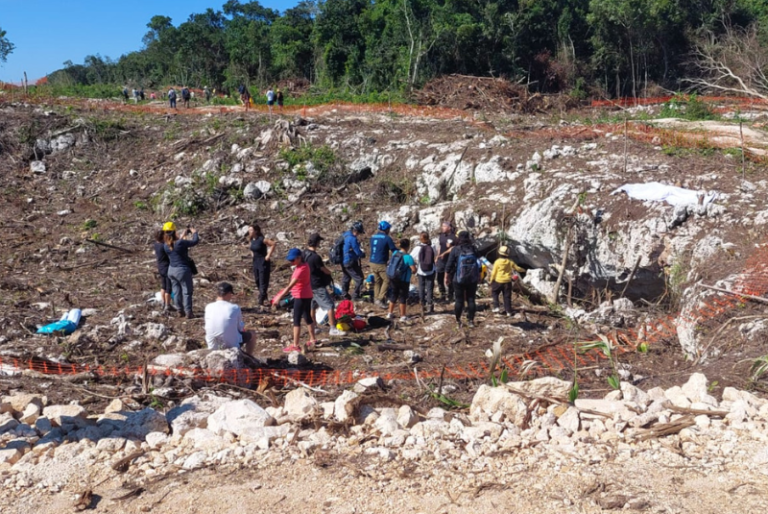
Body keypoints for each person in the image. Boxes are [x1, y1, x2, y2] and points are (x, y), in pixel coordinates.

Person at [272, 248, 317, 353]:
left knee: (296, 319)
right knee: (307, 316)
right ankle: (313, 339)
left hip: (300, 296)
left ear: (299, 258)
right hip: (307, 294)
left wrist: (278, 297)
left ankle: (296, 345)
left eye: (292, 260)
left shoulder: (300, 270)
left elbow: (289, 287)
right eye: (290, 260)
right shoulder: (303, 266)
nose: (290, 262)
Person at [305, 233, 343, 337]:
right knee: (330, 305)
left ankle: (314, 327)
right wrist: (329, 272)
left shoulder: (304, 254)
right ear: (317, 243)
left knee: (312, 306)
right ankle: (333, 328)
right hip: (317, 285)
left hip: (308, 285)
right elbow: (323, 269)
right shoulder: (315, 257)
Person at [205, 282, 255, 355]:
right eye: (231, 294)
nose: (231, 296)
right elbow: (240, 328)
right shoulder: (234, 308)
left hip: (212, 345)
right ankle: (249, 357)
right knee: (253, 334)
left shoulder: (208, 307)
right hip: (231, 344)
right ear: (228, 293)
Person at [445, 231, 480, 328]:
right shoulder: (473, 249)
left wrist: (446, 277)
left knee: (459, 300)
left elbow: (449, 264)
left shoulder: (455, 249)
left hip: (459, 278)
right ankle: (471, 321)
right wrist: (479, 275)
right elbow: (479, 263)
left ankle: (458, 321)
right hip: (472, 278)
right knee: (471, 299)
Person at [164, 224, 200, 319]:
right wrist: (194, 232)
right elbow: (195, 241)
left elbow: (176, 242)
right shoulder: (181, 243)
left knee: (176, 291)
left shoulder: (165, 245)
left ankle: (180, 310)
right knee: (187, 292)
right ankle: (188, 312)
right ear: (175, 231)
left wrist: (184, 232)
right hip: (182, 270)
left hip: (171, 270)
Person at [386, 239, 417, 322]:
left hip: (393, 278)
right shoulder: (408, 257)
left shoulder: (395, 253)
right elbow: (414, 270)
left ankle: (389, 313)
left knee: (393, 295)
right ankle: (403, 316)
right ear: (408, 246)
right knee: (403, 297)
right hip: (404, 280)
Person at [490, 245, 525, 316]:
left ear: (499, 253)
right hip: (507, 282)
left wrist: (491, 280)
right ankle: (508, 311)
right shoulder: (510, 262)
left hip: (498, 281)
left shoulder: (497, 262)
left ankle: (496, 307)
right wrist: (524, 270)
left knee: (495, 293)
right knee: (507, 297)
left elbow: (493, 273)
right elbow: (517, 268)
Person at [369, 221, 397, 308]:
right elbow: (394, 251)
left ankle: (376, 297)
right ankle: (380, 299)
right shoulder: (387, 238)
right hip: (380, 263)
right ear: (386, 229)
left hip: (372, 262)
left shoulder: (373, 237)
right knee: (387, 280)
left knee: (377, 281)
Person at [410, 231, 439, 314]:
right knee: (430, 288)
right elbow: (435, 254)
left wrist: (415, 264)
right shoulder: (432, 246)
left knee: (421, 288)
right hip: (431, 270)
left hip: (420, 271)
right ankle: (430, 305)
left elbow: (411, 257)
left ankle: (422, 306)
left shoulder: (417, 248)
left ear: (420, 239)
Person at [248, 224, 276, 307]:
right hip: (255, 262)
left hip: (263, 262)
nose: (249, 232)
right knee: (257, 280)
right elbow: (251, 248)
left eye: (251, 230)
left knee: (263, 281)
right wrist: (252, 254)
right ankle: (264, 296)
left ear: (256, 231)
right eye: (249, 230)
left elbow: (273, 244)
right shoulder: (252, 239)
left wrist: (268, 255)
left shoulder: (262, 239)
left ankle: (260, 300)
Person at [341, 221, 365, 300]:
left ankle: (344, 294)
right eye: (359, 233)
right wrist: (362, 254)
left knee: (346, 277)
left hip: (343, 260)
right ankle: (355, 295)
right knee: (359, 278)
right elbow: (357, 251)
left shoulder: (345, 235)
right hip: (350, 261)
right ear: (356, 231)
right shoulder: (353, 239)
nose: (358, 235)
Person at [436, 221, 457, 302]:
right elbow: (439, 247)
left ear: (449, 228)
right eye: (442, 226)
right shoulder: (441, 236)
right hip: (441, 260)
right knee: (439, 278)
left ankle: (450, 295)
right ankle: (442, 294)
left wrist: (448, 248)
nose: (442, 228)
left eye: (444, 226)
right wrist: (437, 256)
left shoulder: (453, 236)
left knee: (450, 278)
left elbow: (453, 248)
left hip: (450, 260)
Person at [153, 228, 172, 312]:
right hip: (167, 267)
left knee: (163, 286)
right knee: (168, 288)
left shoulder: (156, 244)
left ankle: (163, 302)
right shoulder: (163, 246)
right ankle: (167, 305)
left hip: (160, 267)